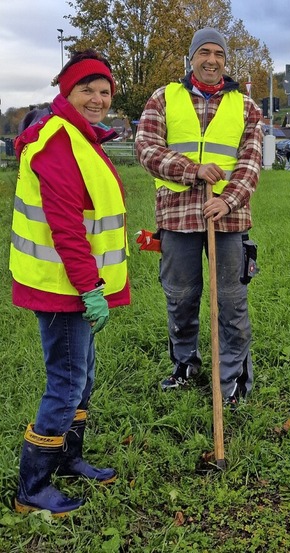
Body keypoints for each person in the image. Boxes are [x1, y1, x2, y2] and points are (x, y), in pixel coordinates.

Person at [9, 50, 130, 516]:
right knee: (65, 381)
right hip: (64, 287)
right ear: (67, 91)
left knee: (82, 377)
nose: (98, 100)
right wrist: (90, 289)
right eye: (88, 90)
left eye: (105, 92)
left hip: (74, 285)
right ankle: (32, 488)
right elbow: (65, 227)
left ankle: (66, 458)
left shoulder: (82, 137)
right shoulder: (60, 141)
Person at [135, 28, 262, 402]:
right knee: (181, 297)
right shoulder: (164, 98)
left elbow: (251, 162)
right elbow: (146, 148)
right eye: (204, 52)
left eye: (218, 54)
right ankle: (185, 364)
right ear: (191, 58)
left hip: (228, 218)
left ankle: (234, 382)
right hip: (176, 217)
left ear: (225, 60)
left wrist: (227, 201)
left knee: (231, 302)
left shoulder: (246, 106)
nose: (211, 59)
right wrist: (192, 169)